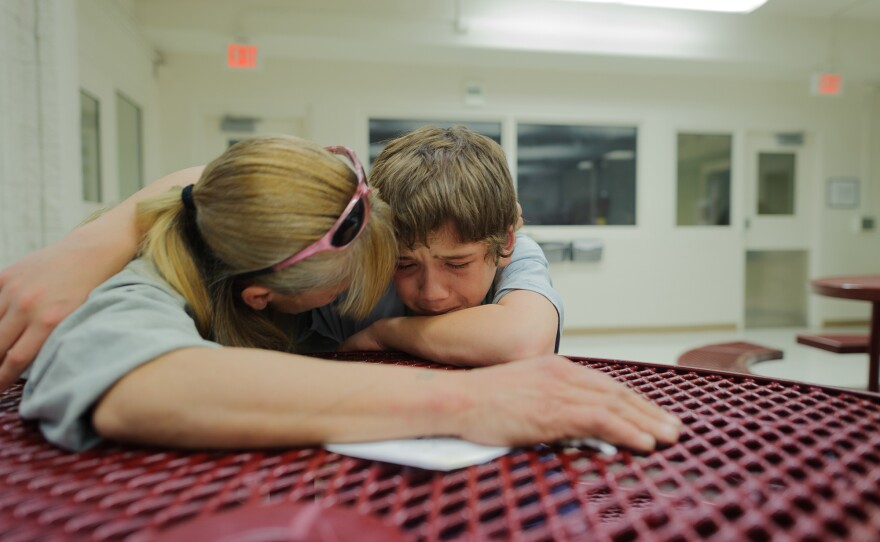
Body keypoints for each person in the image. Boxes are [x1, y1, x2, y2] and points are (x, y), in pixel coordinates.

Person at [11, 135, 681, 453]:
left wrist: (104, 226)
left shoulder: (366, 228)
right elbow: (137, 387)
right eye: (373, 266)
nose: (395, 277)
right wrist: (465, 400)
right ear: (262, 297)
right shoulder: (155, 278)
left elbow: (202, 179)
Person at [305, 126, 562, 367]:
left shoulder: (519, 253)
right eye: (404, 264)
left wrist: (384, 333)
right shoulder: (365, 263)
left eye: (456, 264)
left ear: (505, 244)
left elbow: (526, 341)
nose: (431, 293)